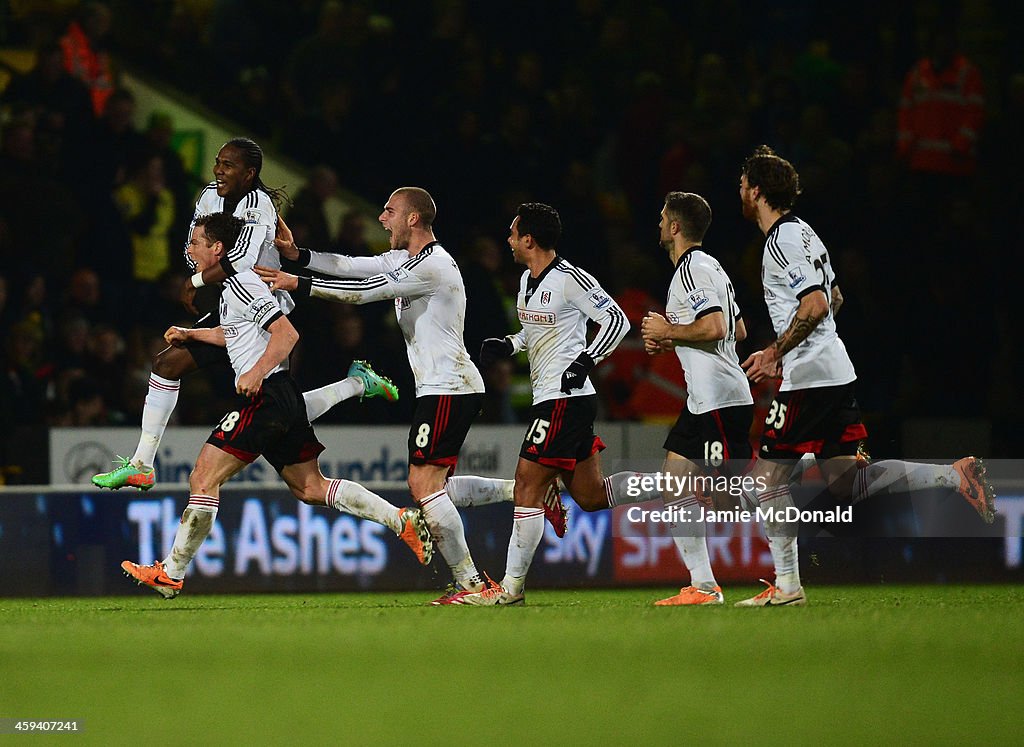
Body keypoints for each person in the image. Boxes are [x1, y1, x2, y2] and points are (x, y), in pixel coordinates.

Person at [734, 145, 995, 607]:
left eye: (742, 184)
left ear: (756, 191)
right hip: (834, 370)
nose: (740, 190)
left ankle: (789, 585)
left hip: (809, 378)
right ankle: (956, 477)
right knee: (849, 481)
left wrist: (777, 350)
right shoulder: (807, 234)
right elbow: (835, 298)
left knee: (763, 482)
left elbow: (816, 303)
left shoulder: (781, 242)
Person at [120, 213, 431, 598]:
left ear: (217, 249)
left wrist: (256, 372)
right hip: (278, 396)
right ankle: (400, 520)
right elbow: (233, 334)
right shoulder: (234, 287)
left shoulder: (242, 284)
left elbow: (286, 334)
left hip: (265, 396)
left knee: (203, 478)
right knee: (311, 488)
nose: (190, 250)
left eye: (196, 242)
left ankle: (171, 572)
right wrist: (191, 333)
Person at [92, 138, 396, 491]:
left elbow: (242, 261)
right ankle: (142, 464)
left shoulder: (259, 205)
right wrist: (199, 270)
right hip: (231, 304)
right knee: (172, 368)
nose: (219, 170)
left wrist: (194, 281)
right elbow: (194, 245)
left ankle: (356, 383)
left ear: (250, 173)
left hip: (263, 312)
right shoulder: (209, 195)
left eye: (229, 165)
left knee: (276, 404)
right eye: (218, 162)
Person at [256, 187, 499, 604]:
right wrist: (299, 255)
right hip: (443, 388)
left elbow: (364, 291)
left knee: (423, 485)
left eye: (389, 212)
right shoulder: (408, 259)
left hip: (449, 387)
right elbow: (351, 265)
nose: (381, 219)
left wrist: (298, 283)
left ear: (413, 220)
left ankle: (474, 586)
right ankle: (523, 494)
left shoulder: (435, 266)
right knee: (438, 486)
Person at [451, 202, 670, 606]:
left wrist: (585, 361)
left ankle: (510, 589)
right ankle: (674, 484)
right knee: (589, 495)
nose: (509, 240)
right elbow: (537, 329)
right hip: (556, 400)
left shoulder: (570, 279)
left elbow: (617, 320)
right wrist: (511, 343)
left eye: (514, 233)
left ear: (529, 240)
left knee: (527, 486)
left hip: (564, 400)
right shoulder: (525, 281)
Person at [639, 192, 754, 606]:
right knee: (674, 483)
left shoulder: (692, 269)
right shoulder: (712, 268)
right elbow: (739, 331)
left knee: (730, 503)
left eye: (662, 218)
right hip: (703, 401)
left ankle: (809, 465)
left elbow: (718, 327)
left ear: (674, 227)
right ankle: (703, 586)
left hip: (720, 400)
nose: (658, 224)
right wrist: (672, 341)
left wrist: (669, 331)